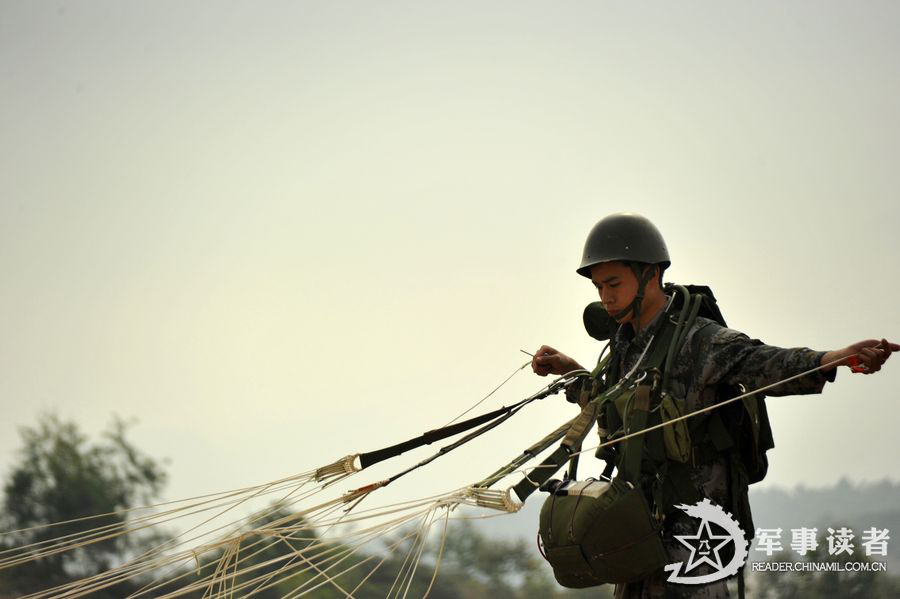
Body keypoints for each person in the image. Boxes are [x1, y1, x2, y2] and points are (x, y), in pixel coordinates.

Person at [531, 213, 897, 599]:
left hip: (699, 540)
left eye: (614, 283)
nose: (605, 296)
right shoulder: (627, 344)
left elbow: (766, 364)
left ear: (651, 275)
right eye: (599, 286)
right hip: (639, 531)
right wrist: (571, 373)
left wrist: (832, 358)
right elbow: (612, 404)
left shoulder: (701, 340)